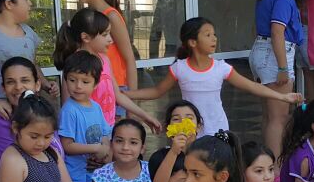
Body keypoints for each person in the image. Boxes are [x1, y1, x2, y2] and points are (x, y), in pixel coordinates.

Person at [128, 18, 303, 136]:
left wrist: (283, 97)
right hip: (188, 131)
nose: (214, 39)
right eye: (208, 35)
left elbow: (252, 86)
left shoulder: (221, 68)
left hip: (217, 130)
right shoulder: (179, 68)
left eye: (214, 35)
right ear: (192, 42)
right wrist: (125, 94)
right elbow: (157, 91)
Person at [52, 9, 158, 130]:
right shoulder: (73, 64)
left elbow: (118, 95)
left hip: (108, 130)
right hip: (86, 134)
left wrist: (145, 116)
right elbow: (68, 107)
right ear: (85, 37)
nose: (110, 39)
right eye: (104, 35)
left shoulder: (105, 60)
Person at [252, 0, 307, 155]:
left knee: (269, 116)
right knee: (279, 117)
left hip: (263, 51)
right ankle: (274, 167)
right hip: (275, 55)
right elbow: (277, 31)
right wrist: (283, 68)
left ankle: (267, 163)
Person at [69, 0, 138, 93]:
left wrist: (132, 97)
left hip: (116, 89)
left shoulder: (111, 16)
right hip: (91, 88)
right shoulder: (85, 16)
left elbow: (129, 59)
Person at [57, 50, 110, 182]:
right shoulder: (69, 110)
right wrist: (96, 148)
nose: (78, 86)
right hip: (76, 178)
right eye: (72, 80)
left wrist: (104, 152)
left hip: (95, 174)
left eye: (85, 81)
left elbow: (105, 134)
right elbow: (67, 146)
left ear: (95, 84)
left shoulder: (96, 107)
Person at [0, 57, 44, 170]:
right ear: (3, 88)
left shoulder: (47, 113)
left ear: (37, 85)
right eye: (10, 82)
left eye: (25, 80)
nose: (18, 87)